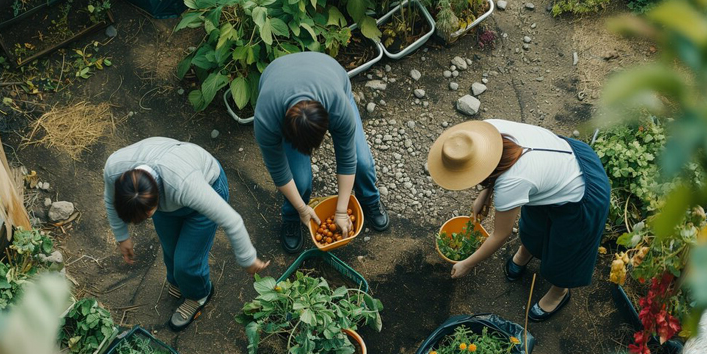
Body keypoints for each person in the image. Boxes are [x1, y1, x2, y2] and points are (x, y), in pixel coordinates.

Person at [426, 120, 611, 322]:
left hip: (583, 191)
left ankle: (559, 292)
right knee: (534, 224)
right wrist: (484, 196)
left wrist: (467, 264)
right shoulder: (486, 131)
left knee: (566, 248)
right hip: (551, 169)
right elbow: (495, 163)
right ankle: (528, 250)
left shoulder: (513, 182)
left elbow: (500, 235)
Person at [103, 137, 269, 331]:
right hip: (171, 193)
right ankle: (178, 281)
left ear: (156, 203)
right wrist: (122, 236)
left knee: (187, 262)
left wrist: (248, 259)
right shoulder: (115, 169)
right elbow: (110, 200)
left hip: (208, 186)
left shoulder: (185, 186)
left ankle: (199, 294)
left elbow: (232, 220)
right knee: (170, 248)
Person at [254, 51, 389, 253]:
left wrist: (342, 211)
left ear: (328, 122)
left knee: (363, 163)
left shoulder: (337, 105)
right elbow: (279, 170)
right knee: (300, 182)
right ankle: (292, 217)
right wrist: (302, 207)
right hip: (277, 76)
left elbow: (347, 158)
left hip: (328, 73)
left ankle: (369, 200)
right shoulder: (266, 119)